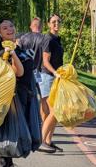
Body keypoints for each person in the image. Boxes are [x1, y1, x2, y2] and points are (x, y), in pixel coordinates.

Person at [0, 19, 24, 167]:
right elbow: (18, 73)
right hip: (6, 98)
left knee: (9, 132)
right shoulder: (1, 53)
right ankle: (6, 163)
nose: (9, 29)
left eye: (11, 25)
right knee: (7, 132)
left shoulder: (14, 48)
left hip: (15, 95)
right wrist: (11, 54)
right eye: (4, 28)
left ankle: (8, 162)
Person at [38, 14, 64, 153]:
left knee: (55, 112)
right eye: (53, 22)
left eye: (58, 22)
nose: (56, 24)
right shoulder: (48, 39)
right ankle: (41, 141)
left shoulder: (57, 39)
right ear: (48, 24)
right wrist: (55, 73)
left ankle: (48, 141)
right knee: (54, 111)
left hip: (56, 77)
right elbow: (45, 61)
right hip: (47, 77)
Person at [17, 17, 49, 122]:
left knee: (25, 96)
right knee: (43, 98)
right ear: (41, 26)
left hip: (25, 72)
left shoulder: (23, 38)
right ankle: (43, 121)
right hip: (39, 72)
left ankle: (25, 119)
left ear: (31, 26)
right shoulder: (45, 39)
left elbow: (18, 54)